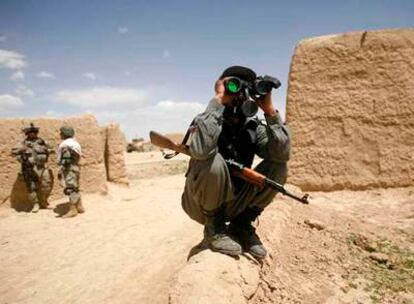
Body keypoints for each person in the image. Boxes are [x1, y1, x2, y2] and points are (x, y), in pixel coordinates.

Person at [181, 66, 291, 259]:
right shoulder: (206, 119)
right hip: (200, 205)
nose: (239, 95)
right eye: (234, 86)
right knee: (211, 159)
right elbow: (200, 151)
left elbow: (282, 154)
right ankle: (214, 229)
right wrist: (218, 101)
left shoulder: (253, 127)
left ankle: (242, 225)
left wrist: (270, 111)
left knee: (278, 166)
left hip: (236, 202)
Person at [11, 123, 53, 212]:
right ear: (27, 133)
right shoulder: (22, 143)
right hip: (28, 168)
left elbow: (52, 150)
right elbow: (13, 153)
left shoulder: (42, 141)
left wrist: (46, 149)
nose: (33, 133)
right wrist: (22, 150)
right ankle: (35, 204)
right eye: (30, 132)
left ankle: (44, 203)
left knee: (46, 185)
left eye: (34, 132)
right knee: (31, 187)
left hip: (42, 167)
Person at [57, 125, 84, 218]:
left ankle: (73, 210)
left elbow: (66, 159)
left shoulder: (65, 144)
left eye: (61, 133)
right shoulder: (76, 143)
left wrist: (61, 169)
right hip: (76, 167)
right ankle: (80, 207)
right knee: (75, 187)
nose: (60, 134)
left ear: (64, 133)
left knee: (71, 188)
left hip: (69, 168)